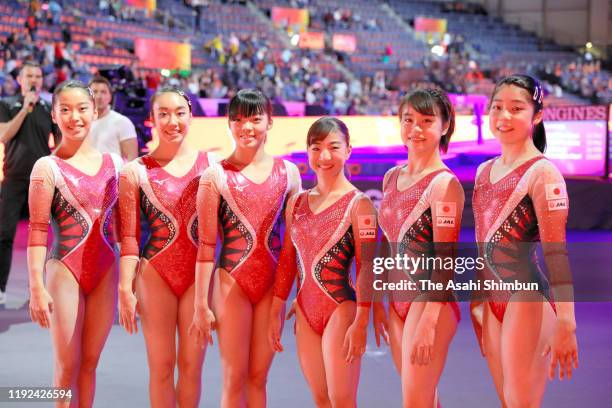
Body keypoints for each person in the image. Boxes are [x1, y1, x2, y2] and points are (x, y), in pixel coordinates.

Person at [189, 89, 301, 407]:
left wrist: (287, 296)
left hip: (272, 287)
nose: (246, 127)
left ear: (270, 122)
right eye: (238, 120)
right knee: (233, 377)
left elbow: (292, 245)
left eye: (255, 119)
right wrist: (200, 304)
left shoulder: (289, 174)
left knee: (257, 378)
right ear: (229, 124)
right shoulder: (215, 176)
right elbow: (206, 245)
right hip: (230, 285)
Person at [471, 74, 578, 407]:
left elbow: (556, 253)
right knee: (506, 401)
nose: (504, 117)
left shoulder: (543, 173)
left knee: (520, 403)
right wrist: (478, 299)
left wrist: (566, 322)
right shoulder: (484, 171)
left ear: (537, 115)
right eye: (497, 107)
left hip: (525, 298)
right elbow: (482, 244)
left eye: (516, 108)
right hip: (492, 302)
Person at [118, 86, 217, 407]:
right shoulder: (135, 171)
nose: (172, 121)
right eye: (163, 114)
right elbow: (130, 236)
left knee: (192, 368)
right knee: (160, 368)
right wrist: (124, 287)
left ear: (191, 116)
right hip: (154, 275)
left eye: (179, 113)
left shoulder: (213, 166)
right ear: (151, 120)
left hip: (198, 278)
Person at [269, 117, 377, 407]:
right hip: (305, 310)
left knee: (341, 399)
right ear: (308, 152)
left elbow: (367, 266)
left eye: (333, 147)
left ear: (348, 150)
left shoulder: (360, 205)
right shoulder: (297, 202)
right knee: (320, 398)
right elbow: (289, 259)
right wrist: (277, 306)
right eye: (316, 148)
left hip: (341, 308)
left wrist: (362, 321)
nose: (324, 156)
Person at [27, 80, 122, 407]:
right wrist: (36, 286)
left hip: (106, 271)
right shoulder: (46, 168)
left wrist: (130, 282)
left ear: (95, 111)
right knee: (67, 365)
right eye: (64, 109)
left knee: (90, 364)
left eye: (82, 108)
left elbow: (123, 228)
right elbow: (38, 230)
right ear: (54, 114)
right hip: (65, 269)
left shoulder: (115, 166)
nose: (74, 116)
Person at [376, 88, 463, 407]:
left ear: (444, 126)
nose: (415, 128)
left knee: (414, 401)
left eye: (426, 121)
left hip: (430, 304)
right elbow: (388, 245)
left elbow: (446, 258)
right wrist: (378, 301)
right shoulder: (391, 177)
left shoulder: (444, 185)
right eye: (408, 119)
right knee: (425, 399)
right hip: (397, 303)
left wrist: (428, 320)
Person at [0, 61, 56, 304]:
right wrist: (24, 109)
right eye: (29, 75)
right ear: (20, 79)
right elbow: (3, 135)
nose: (34, 79)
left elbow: (62, 141)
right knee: (4, 233)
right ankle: (0, 288)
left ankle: (52, 287)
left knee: (55, 233)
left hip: (44, 179)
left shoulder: (49, 107)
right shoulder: (7, 104)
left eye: (38, 75)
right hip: (14, 177)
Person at [89, 76, 138, 161]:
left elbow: (132, 160)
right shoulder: (82, 122)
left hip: (114, 173)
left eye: (103, 92)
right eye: (95, 92)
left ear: (110, 97)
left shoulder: (122, 122)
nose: (99, 96)